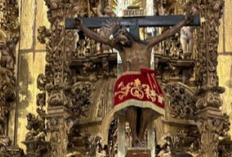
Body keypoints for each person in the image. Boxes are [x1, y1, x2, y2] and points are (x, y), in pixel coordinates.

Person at [76, 11, 194, 144]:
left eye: (122, 37)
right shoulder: (121, 49)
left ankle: (141, 136)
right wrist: (83, 28)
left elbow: (168, 33)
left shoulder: (147, 44)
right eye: (118, 39)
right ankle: (135, 136)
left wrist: (184, 22)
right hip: (129, 79)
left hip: (145, 78)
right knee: (130, 106)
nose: (121, 41)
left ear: (127, 34)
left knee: (148, 109)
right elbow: (99, 38)